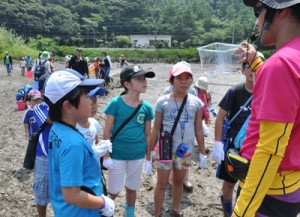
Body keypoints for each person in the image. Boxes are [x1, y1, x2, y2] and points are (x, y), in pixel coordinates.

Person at [231, 0, 300, 216]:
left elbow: (270, 151)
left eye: (258, 11)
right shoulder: (293, 59)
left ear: (282, 11)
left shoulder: (282, 64)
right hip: (291, 185)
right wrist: (258, 64)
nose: (256, 21)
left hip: (268, 191)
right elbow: (288, 97)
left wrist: (242, 212)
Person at [43, 69, 115, 216]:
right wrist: (103, 202)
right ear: (68, 106)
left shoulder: (57, 128)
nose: (91, 101)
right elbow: (72, 195)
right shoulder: (73, 144)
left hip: (63, 209)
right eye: (86, 96)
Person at [151, 61, 207, 217]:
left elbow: (198, 129)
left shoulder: (197, 103)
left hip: (184, 151)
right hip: (164, 150)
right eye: (179, 78)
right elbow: (156, 128)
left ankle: (176, 210)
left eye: (187, 77)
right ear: (171, 81)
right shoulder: (162, 102)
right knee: (161, 184)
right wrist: (149, 152)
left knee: (178, 182)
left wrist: (202, 153)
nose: (184, 81)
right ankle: (157, 213)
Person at [102, 65, 155, 217]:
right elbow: (107, 131)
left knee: (132, 187)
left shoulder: (146, 107)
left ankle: (129, 213)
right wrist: (106, 155)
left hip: (137, 155)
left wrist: (148, 157)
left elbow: (147, 135)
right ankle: (107, 213)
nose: (144, 81)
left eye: (145, 78)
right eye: (139, 78)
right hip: (117, 155)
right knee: (113, 190)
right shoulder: (116, 103)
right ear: (127, 84)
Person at [211, 60, 254, 216]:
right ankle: (227, 212)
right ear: (242, 71)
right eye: (248, 67)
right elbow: (220, 117)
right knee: (229, 183)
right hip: (233, 147)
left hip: (255, 148)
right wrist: (217, 144)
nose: (252, 70)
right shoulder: (235, 91)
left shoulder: (266, 93)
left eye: (256, 66)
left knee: (248, 185)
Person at [32, 102, 53, 217]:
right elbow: (50, 119)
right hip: (45, 155)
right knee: (41, 192)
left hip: (64, 154)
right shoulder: (41, 107)